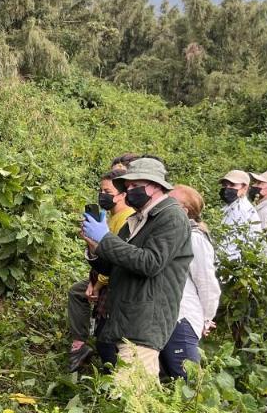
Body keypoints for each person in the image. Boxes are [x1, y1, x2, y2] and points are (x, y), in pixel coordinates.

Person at [81, 156, 193, 380]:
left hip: (145, 320)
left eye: (136, 185)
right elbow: (114, 265)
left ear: (155, 186)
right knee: (136, 397)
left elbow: (150, 263)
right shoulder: (137, 219)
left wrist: (105, 240)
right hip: (127, 315)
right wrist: (94, 247)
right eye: (128, 186)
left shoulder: (172, 217)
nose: (130, 190)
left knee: (130, 397)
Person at [67, 155, 139, 371]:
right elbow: (103, 255)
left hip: (115, 284)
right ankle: (82, 347)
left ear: (123, 194)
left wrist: (97, 285)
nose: (102, 196)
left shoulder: (127, 218)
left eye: (108, 193)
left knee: (106, 339)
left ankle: (104, 369)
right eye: (101, 191)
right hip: (104, 277)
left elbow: (117, 257)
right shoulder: (111, 217)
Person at [160, 185, 220, 381]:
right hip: (166, 316)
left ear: (184, 211)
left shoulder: (194, 238)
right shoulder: (171, 234)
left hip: (183, 318)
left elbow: (207, 283)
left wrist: (207, 318)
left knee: (188, 384)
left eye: (171, 201)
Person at [218, 170, 262, 260]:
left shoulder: (241, 209)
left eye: (233, 185)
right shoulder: (232, 205)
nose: (227, 188)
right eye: (225, 185)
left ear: (245, 188)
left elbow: (229, 245)